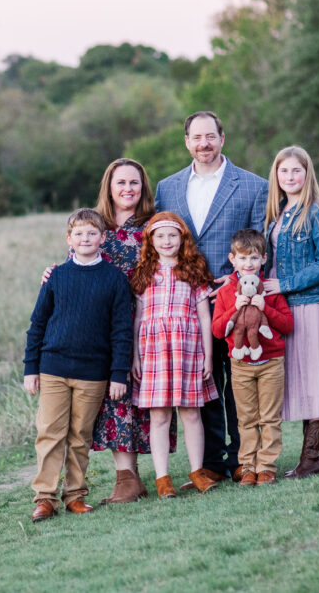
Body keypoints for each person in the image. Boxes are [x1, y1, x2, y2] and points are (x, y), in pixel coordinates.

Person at [40, 158, 176, 505]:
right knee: (115, 400)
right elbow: (75, 267)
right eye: (121, 183)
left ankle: (153, 474)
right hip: (100, 328)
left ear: (143, 187)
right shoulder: (96, 226)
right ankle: (126, 476)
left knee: (145, 396)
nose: (128, 189)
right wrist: (52, 274)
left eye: (134, 182)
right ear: (109, 187)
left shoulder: (153, 226)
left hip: (147, 320)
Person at [154, 111, 268, 485]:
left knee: (239, 383)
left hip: (236, 301)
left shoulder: (253, 186)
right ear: (187, 141)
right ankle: (211, 463)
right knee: (202, 385)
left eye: (210, 136)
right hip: (186, 306)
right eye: (196, 137)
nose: (204, 143)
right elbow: (154, 242)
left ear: (222, 138)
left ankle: (243, 458)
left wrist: (237, 282)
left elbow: (262, 246)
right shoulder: (167, 188)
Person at [23, 208, 134, 521]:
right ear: (69, 239)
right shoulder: (57, 276)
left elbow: (121, 331)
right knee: (49, 433)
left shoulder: (114, 279)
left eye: (91, 233)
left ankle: (75, 495)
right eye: (79, 233)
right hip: (53, 368)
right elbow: (37, 324)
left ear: (102, 238)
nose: (85, 238)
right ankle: (45, 498)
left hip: (93, 373)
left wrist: (118, 373)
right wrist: (31, 368)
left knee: (80, 436)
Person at [261, 146, 319, 479]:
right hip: (286, 307)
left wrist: (284, 284)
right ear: (276, 176)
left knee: (316, 375)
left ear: (307, 174)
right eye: (284, 171)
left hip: (312, 303)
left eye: (297, 170)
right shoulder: (277, 214)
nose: (290, 177)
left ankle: (312, 457)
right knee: (301, 376)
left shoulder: (318, 213)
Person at [129, 212, 219, 497]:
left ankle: (197, 471)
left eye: (172, 235)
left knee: (191, 413)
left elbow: (204, 317)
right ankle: (162, 478)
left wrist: (208, 356)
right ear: (151, 240)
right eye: (160, 236)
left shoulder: (193, 270)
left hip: (187, 349)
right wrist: (135, 357)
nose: (166, 241)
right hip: (153, 351)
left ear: (183, 239)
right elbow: (137, 319)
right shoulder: (144, 272)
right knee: (159, 416)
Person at [211, 229, 294, 486]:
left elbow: (288, 325)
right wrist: (232, 310)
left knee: (269, 418)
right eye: (243, 258)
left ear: (264, 259)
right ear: (232, 259)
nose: (249, 264)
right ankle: (247, 466)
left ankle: (266, 466)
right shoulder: (226, 292)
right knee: (246, 419)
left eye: (255, 258)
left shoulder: (270, 290)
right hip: (240, 365)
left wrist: (265, 307)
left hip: (271, 363)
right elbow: (217, 331)